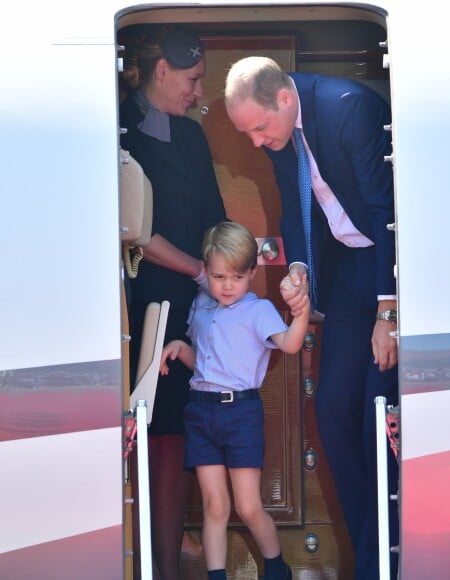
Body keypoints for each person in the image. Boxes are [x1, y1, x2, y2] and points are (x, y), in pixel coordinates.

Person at [223, 57, 399, 579]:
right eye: (246, 133)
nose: (256, 141)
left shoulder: (348, 109)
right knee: (332, 408)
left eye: (259, 127)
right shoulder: (281, 133)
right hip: (347, 274)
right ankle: (372, 552)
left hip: (389, 270)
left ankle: (384, 561)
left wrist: (390, 309)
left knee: (376, 411)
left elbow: (387, 208)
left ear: (284, 98)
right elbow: (292, 206)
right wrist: (298, 268)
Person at [119, 26, 227, 580]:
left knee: (183, 431)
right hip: (144, 309)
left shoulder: (192, 137)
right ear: (161, 71)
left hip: (196, 308)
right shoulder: (117, 129)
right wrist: (200, 271)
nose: (197, 91)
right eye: (191, 79)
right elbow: (135, 231)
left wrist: (227, 278)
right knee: (154, 431)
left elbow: (216, 215)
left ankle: (170, 559)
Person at [159, 221, 309, 580]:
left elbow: (289, 344)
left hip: (240, 413)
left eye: (237, 277)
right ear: (207, 270)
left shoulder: (258, 311)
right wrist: (182, 350)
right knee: (215, 504)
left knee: (247, 504)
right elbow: (209, 364)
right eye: (219, 276)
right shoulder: (203, 309)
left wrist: (301, 314)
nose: (227, 286)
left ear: (253, 272)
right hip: (201, 410)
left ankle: (275, 567)